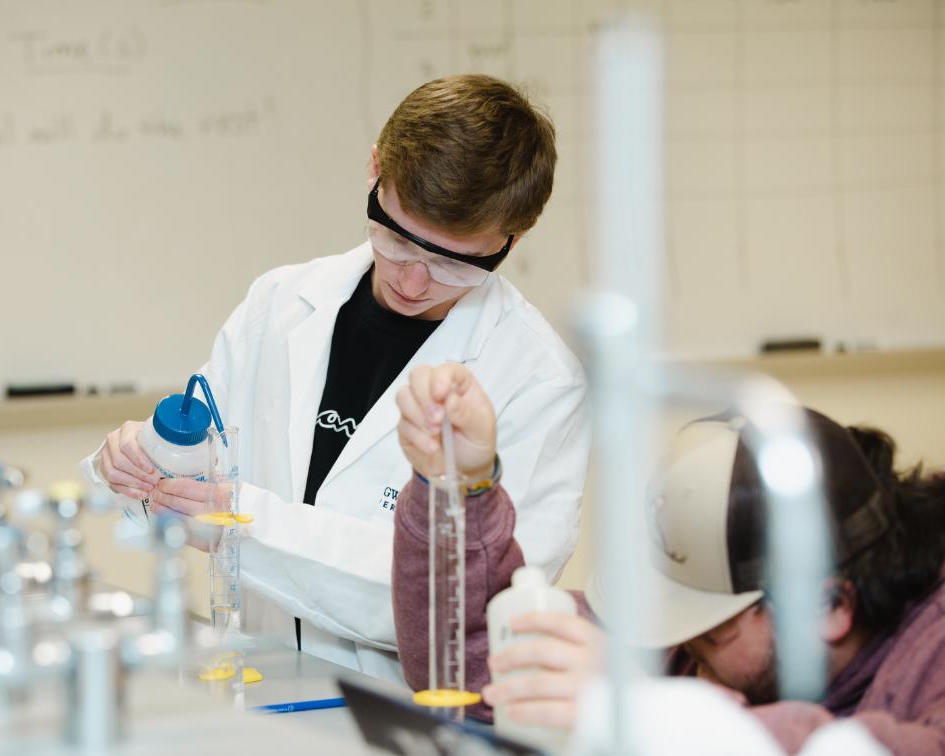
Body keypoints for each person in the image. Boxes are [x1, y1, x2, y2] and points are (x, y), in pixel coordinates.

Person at [82, 75, 590, 681]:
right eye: (396, 238)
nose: (413, 282)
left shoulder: (537, 380)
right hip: (256, 680)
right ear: (375, 171)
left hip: (406, 715)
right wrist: (141, 462)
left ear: (514, 237)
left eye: (455, 263)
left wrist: (240, 522)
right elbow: (201, 464)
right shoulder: (281, 302)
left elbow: (471, 606)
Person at [393, 363, 945, 753]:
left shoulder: (929, 652)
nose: (684, 650)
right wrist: (459, 486)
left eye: (709, 628)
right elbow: (480, 668)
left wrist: (652, 714)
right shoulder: (696, 646)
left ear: (828, 605)